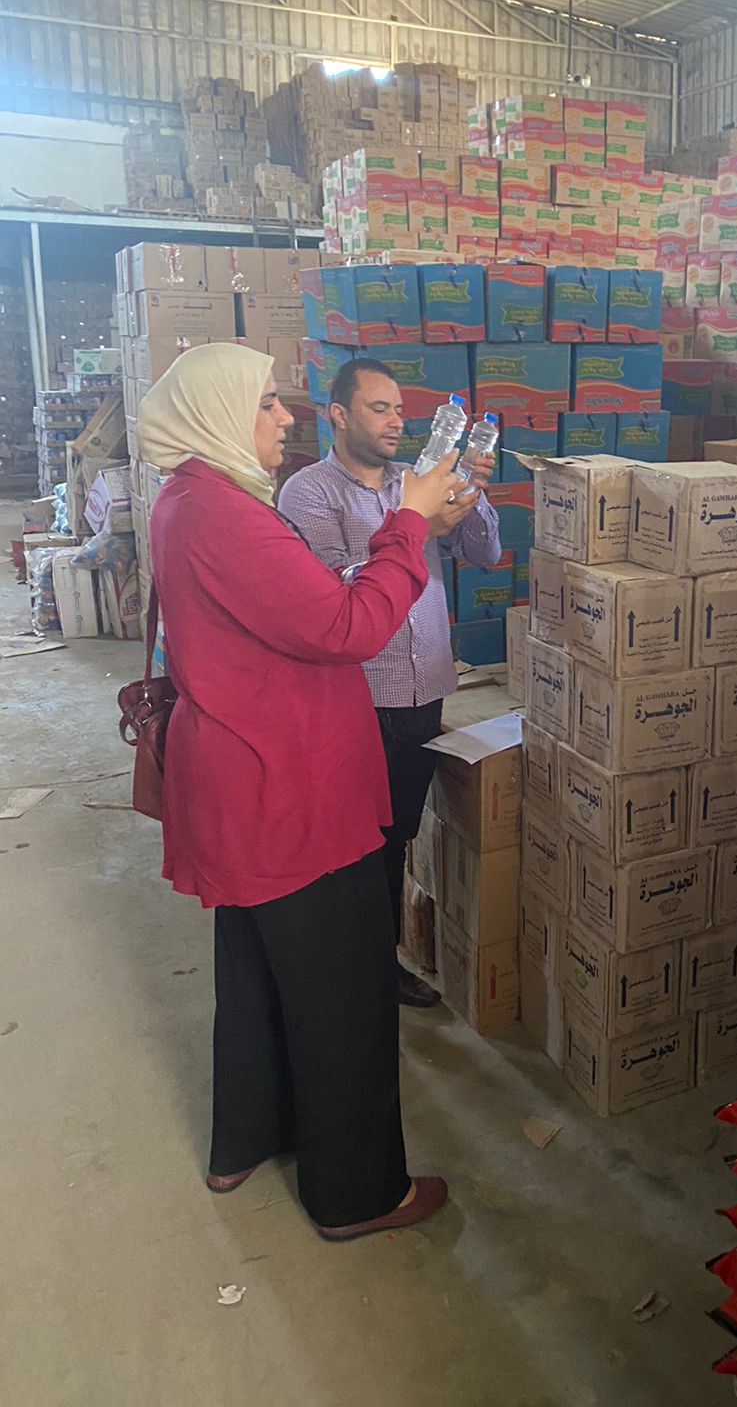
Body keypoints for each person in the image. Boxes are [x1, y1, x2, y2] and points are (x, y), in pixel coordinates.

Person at [138, 342, 462, 1240]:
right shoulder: (227, 515)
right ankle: (358, 1193)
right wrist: (408, 524)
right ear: (218, 413)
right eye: (268, 401)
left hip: (245, 781)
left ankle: (251, 1135)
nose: (287, 416)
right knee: (344, 993)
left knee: (257, 975)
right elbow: (348, 626)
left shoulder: (191, 499)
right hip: (289, 789)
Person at [279, 358, 502, 1007]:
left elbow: (485, 554)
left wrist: (471, 494)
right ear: (338, 415)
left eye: (400, 410)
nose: (395, 422)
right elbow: (329, 594)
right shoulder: (308, 493)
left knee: (398, 833)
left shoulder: (417, 480)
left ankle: (380, 961)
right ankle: (350, 973)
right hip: (356, 696)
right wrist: (414, 527)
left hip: (423, 687)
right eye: (379, 409)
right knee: (352, 842)